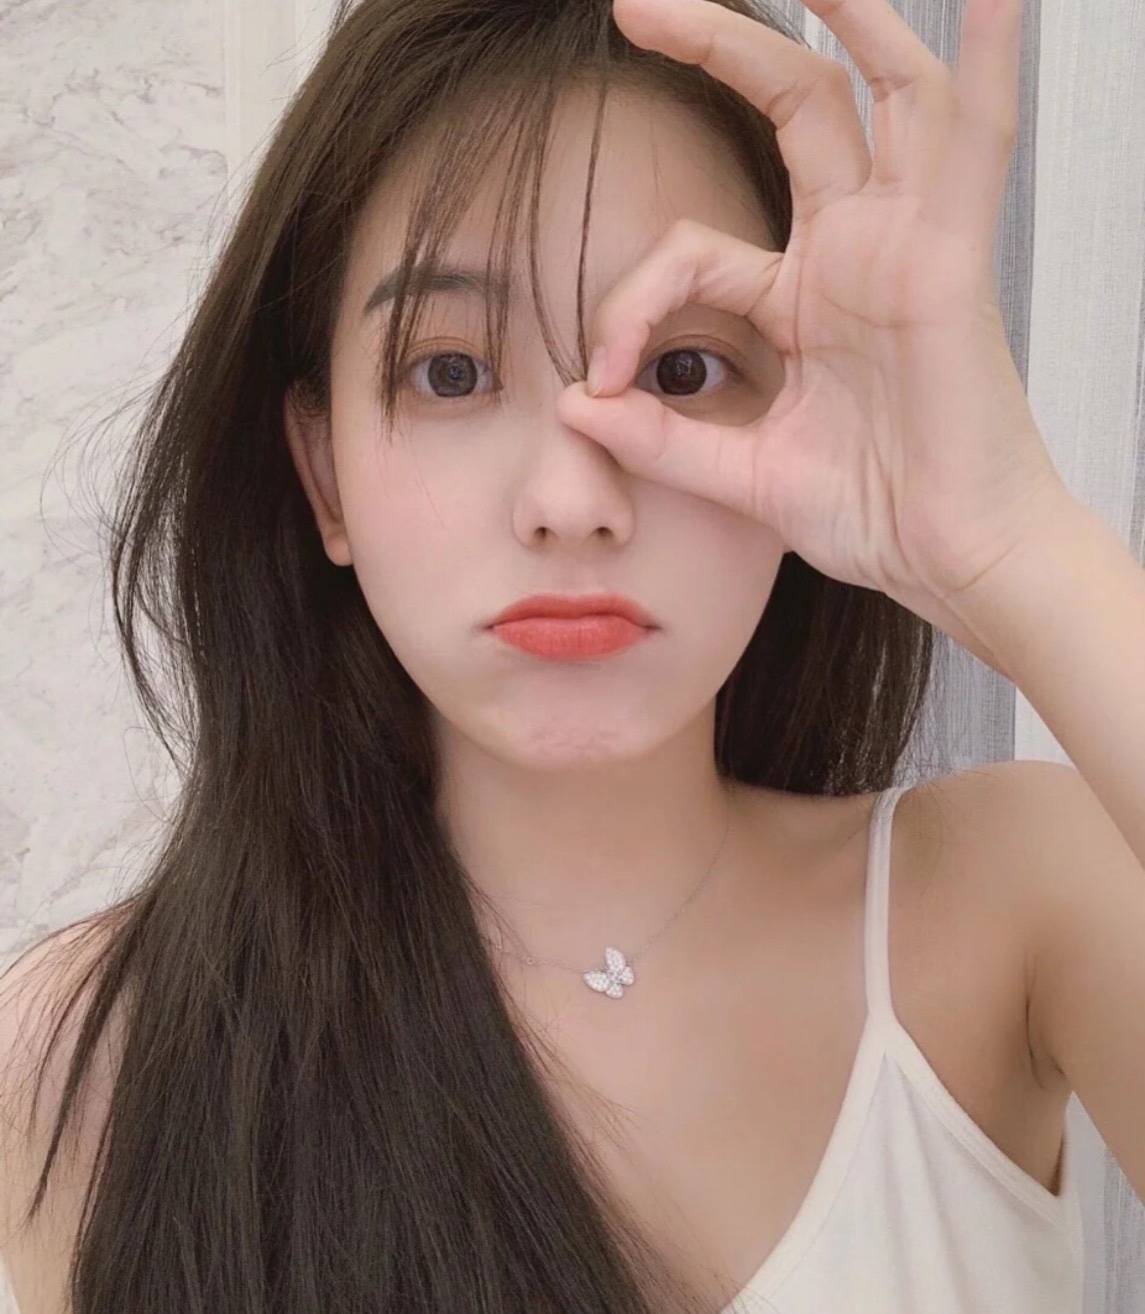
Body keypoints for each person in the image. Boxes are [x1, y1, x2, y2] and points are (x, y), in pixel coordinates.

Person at [11, 0, 1145, 1309]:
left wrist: (1006, 542)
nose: (570, 498)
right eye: (448, 373)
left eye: (681, 370)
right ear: (323, 473)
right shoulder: (91, 1057)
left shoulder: (1008, 905)